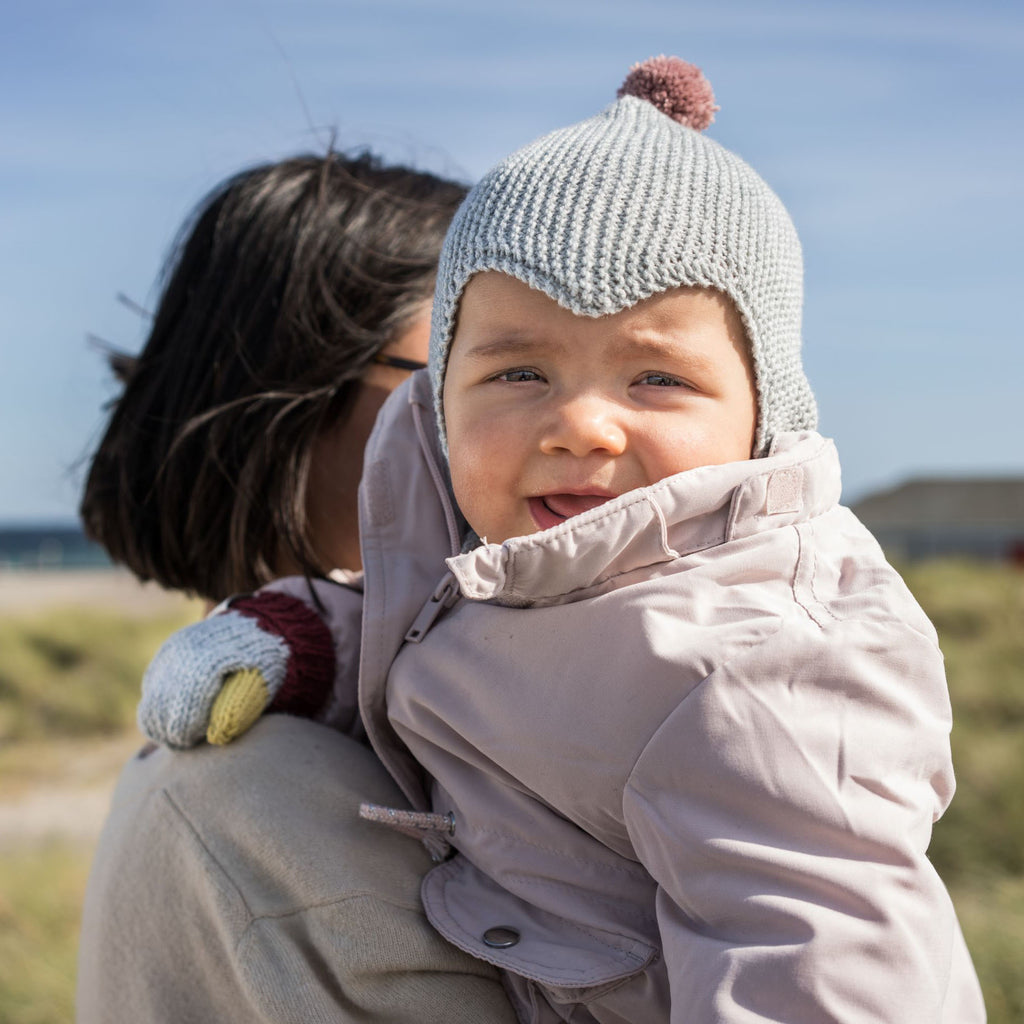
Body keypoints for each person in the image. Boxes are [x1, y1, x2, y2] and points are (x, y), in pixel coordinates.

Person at [137, 59, 986, 1022]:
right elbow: (424, 631)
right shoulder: (511, 565)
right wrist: (307, 635)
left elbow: (822, 966)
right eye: (518, 371)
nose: (581, 424)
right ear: (441, 399)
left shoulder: (760, 666)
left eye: (657, 378)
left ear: (762, 416)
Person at [75, 152, 518, 1023]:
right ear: (296, 392)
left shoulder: (225, 770)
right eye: (495, 365)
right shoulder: (275, 796)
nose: (568, 415)